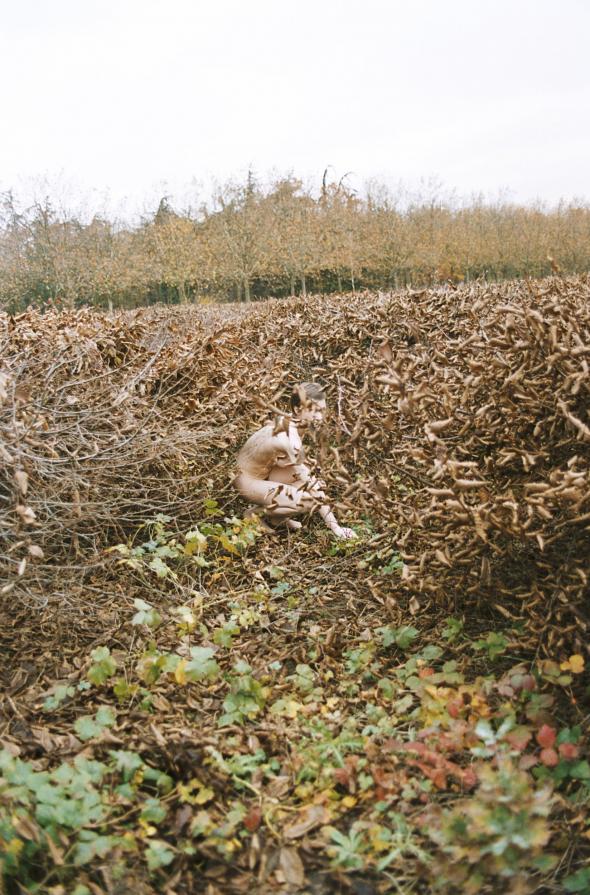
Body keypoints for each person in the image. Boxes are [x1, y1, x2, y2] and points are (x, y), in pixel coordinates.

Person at [234, 382, 356, 538]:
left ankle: (277, 519)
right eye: (315, 411)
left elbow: (288, 464)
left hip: (262, 472)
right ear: (298, 409)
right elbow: (309, 480)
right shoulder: (289, 438)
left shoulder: (288, 421)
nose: (320, 417)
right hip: (246, 482)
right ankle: (255, 514)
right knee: (310, 500)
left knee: (306, 483)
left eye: (322, 410)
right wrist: (336, 528)